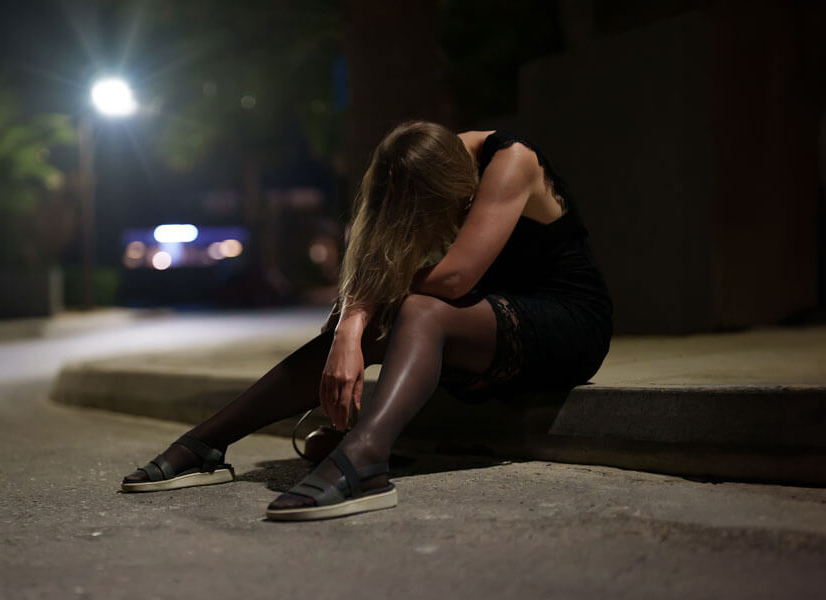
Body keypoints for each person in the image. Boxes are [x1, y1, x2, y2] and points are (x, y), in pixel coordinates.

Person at [120, 121, 614, 521]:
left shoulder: (511, 161)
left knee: (420, 308)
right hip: (487, 325)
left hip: (565, 325)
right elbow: (381, 268)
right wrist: (348, 334)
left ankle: (366, 460)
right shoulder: (416, 169)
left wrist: (359, 319)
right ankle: (207, 443)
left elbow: (456, 278)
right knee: (387, 315)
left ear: (455, 190)